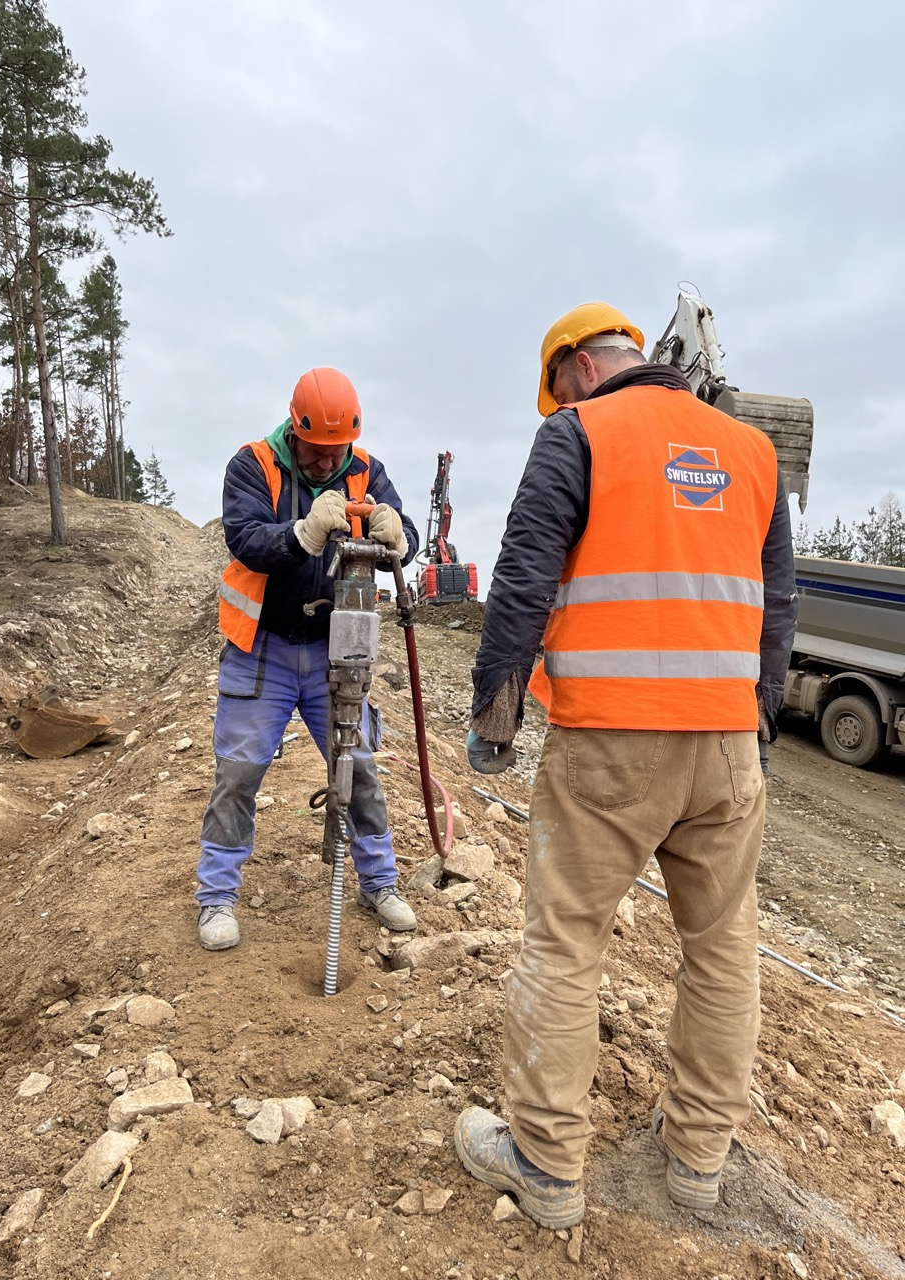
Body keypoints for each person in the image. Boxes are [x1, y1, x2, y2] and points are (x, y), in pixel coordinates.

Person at [454, 303, 797, 1227]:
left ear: (577, 369)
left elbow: (525, 574)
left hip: (611, 742)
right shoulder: (752, 452)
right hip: (725, 749)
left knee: (564, 942)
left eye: (554, 389)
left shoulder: (578, 433)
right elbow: (778, 605)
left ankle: (545, 1166)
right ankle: (697, 1164)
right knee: (723, 949)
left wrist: (496, 715)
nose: (554, 402)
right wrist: (755, 720)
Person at [196, 367, 420, 950]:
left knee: (361, 767)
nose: (326, 464)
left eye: (335, 451)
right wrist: (302, 533)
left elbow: (403, 537)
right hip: (263, 650)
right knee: (239, 773)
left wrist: (401, 533)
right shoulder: (252, 465)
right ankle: (216, 896)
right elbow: (244, 539)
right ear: (294, 431)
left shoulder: (366, 470)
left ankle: (379, 882)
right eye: (316, 452)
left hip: (335, 651)